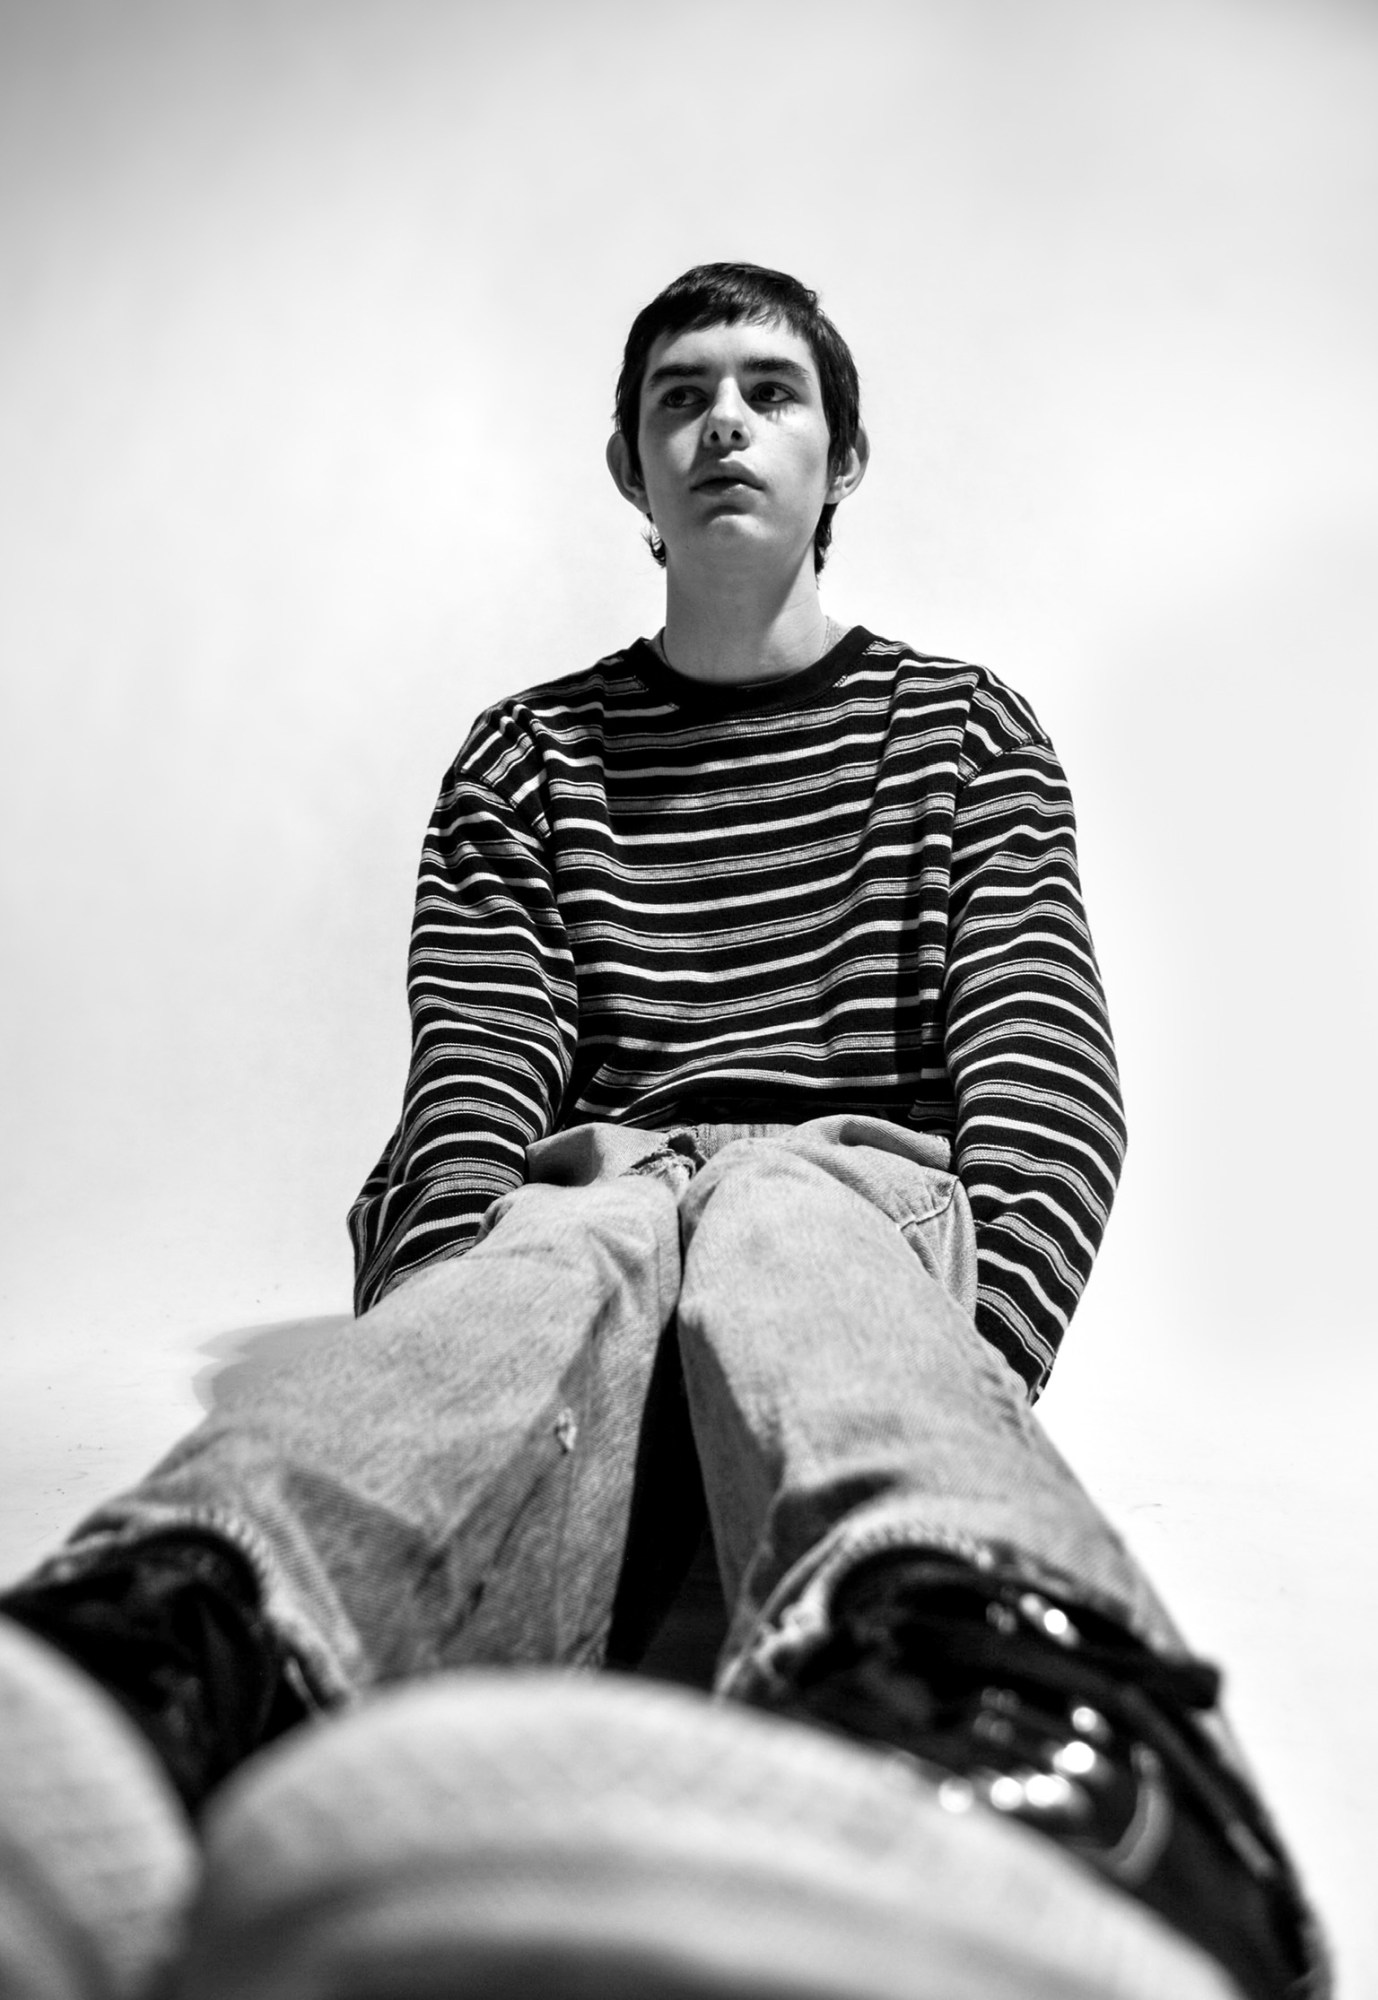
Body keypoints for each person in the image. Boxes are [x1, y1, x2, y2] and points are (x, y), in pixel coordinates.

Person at [0, 264, 1323, 2000]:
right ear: (628, 471)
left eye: (770, 391)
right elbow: (471, 1083)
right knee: (573, 1226)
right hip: (592, 1261)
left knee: (780, 1208)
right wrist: (454, 1305)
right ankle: (185, 1642)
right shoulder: (531, 756)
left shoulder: (961, 734)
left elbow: (1042, 1078)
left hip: (850, 1232)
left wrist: (965, 1361)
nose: (722, 422)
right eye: (678, 396)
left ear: (842, 455)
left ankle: (1033, 1714)